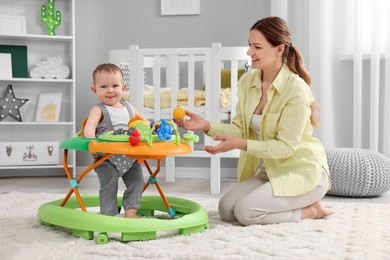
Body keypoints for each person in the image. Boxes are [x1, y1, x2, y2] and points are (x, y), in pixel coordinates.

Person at [173, 16, 333, 225]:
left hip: (301, 172)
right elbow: (240, 128)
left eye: (257, 47)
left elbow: (286, 148)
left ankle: (311, 210)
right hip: (271, 171)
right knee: (226, 209)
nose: (249, 52)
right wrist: (207, 125)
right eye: (249, 45)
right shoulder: (248, 81)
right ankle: (294, 205)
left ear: (279, 49)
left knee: (246, 213)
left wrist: (241, 144)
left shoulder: (296, 89)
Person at [84, 63, 148, 218]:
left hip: (130, 158)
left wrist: (152, 130)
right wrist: (92, 142)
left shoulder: (129, 108)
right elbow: (89, 126)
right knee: (108, 187)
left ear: (123, 87)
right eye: (104, 86)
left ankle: (131, 211)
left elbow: (143, 123)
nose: (110, 90)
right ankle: (109, 215)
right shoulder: (98, 109)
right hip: (106, 158)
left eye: (115, 86)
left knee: (138, 182)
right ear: (95, 90)